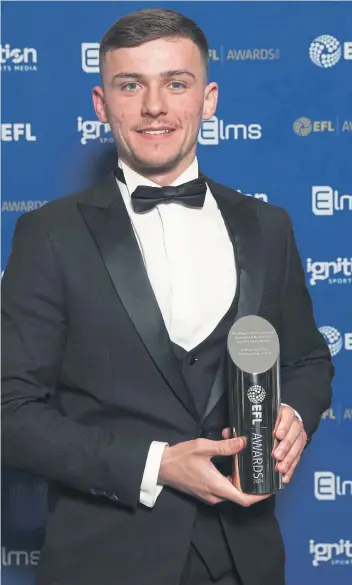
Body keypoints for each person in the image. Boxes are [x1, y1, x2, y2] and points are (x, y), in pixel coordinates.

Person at [1, 8, 334, 585]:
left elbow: (307, 359)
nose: (154, 106)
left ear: (207, 99)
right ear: (102, 105)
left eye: (175, 84)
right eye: (131, 85)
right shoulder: (48, 236)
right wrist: (156, 465)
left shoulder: (268, 226)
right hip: (106, 560)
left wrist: (296, 415)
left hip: (246, 560)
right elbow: (9, 413)